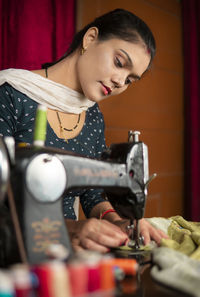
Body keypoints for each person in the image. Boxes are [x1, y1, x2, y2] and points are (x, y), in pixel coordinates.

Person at [0, 8, 168, 253]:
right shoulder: (11, 95)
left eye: (130, 79)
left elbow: (91, 193)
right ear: (90, 39)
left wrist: (118, 221)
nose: (121, 82)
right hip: (15, 255)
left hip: (67, 255)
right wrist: (69, 229)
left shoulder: (93, 117)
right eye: (119, 63)